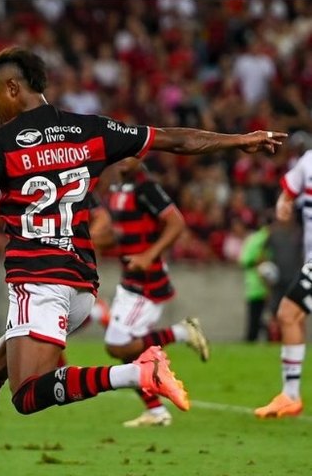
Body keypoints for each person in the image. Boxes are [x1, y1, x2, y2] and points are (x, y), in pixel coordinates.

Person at [0, 46, 286, 476]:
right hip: (81, 286)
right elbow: (173, 139)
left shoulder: (0, 145)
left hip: (38, 279)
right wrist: (238, 140)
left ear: (13, 88)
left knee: (27, 395)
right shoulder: (89, 129)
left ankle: (137, 374)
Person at [102, 158, 210, 427]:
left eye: (130, 153)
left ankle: (183, 332)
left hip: (147, 281)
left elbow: (176, 222)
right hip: (129, 276)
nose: (123, 159)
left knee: (118, 345)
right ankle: (157, 411)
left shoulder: (146, 188)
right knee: (128, 352)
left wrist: (149, 255)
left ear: (140, 156)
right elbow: (120, 232)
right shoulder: (118, 188)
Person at [254, 147, 312, 418]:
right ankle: (290, 395)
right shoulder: (308, 160)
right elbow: (288, 191)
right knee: (290, 315)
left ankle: (290, 395)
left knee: (288, 313)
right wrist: (283, 203)